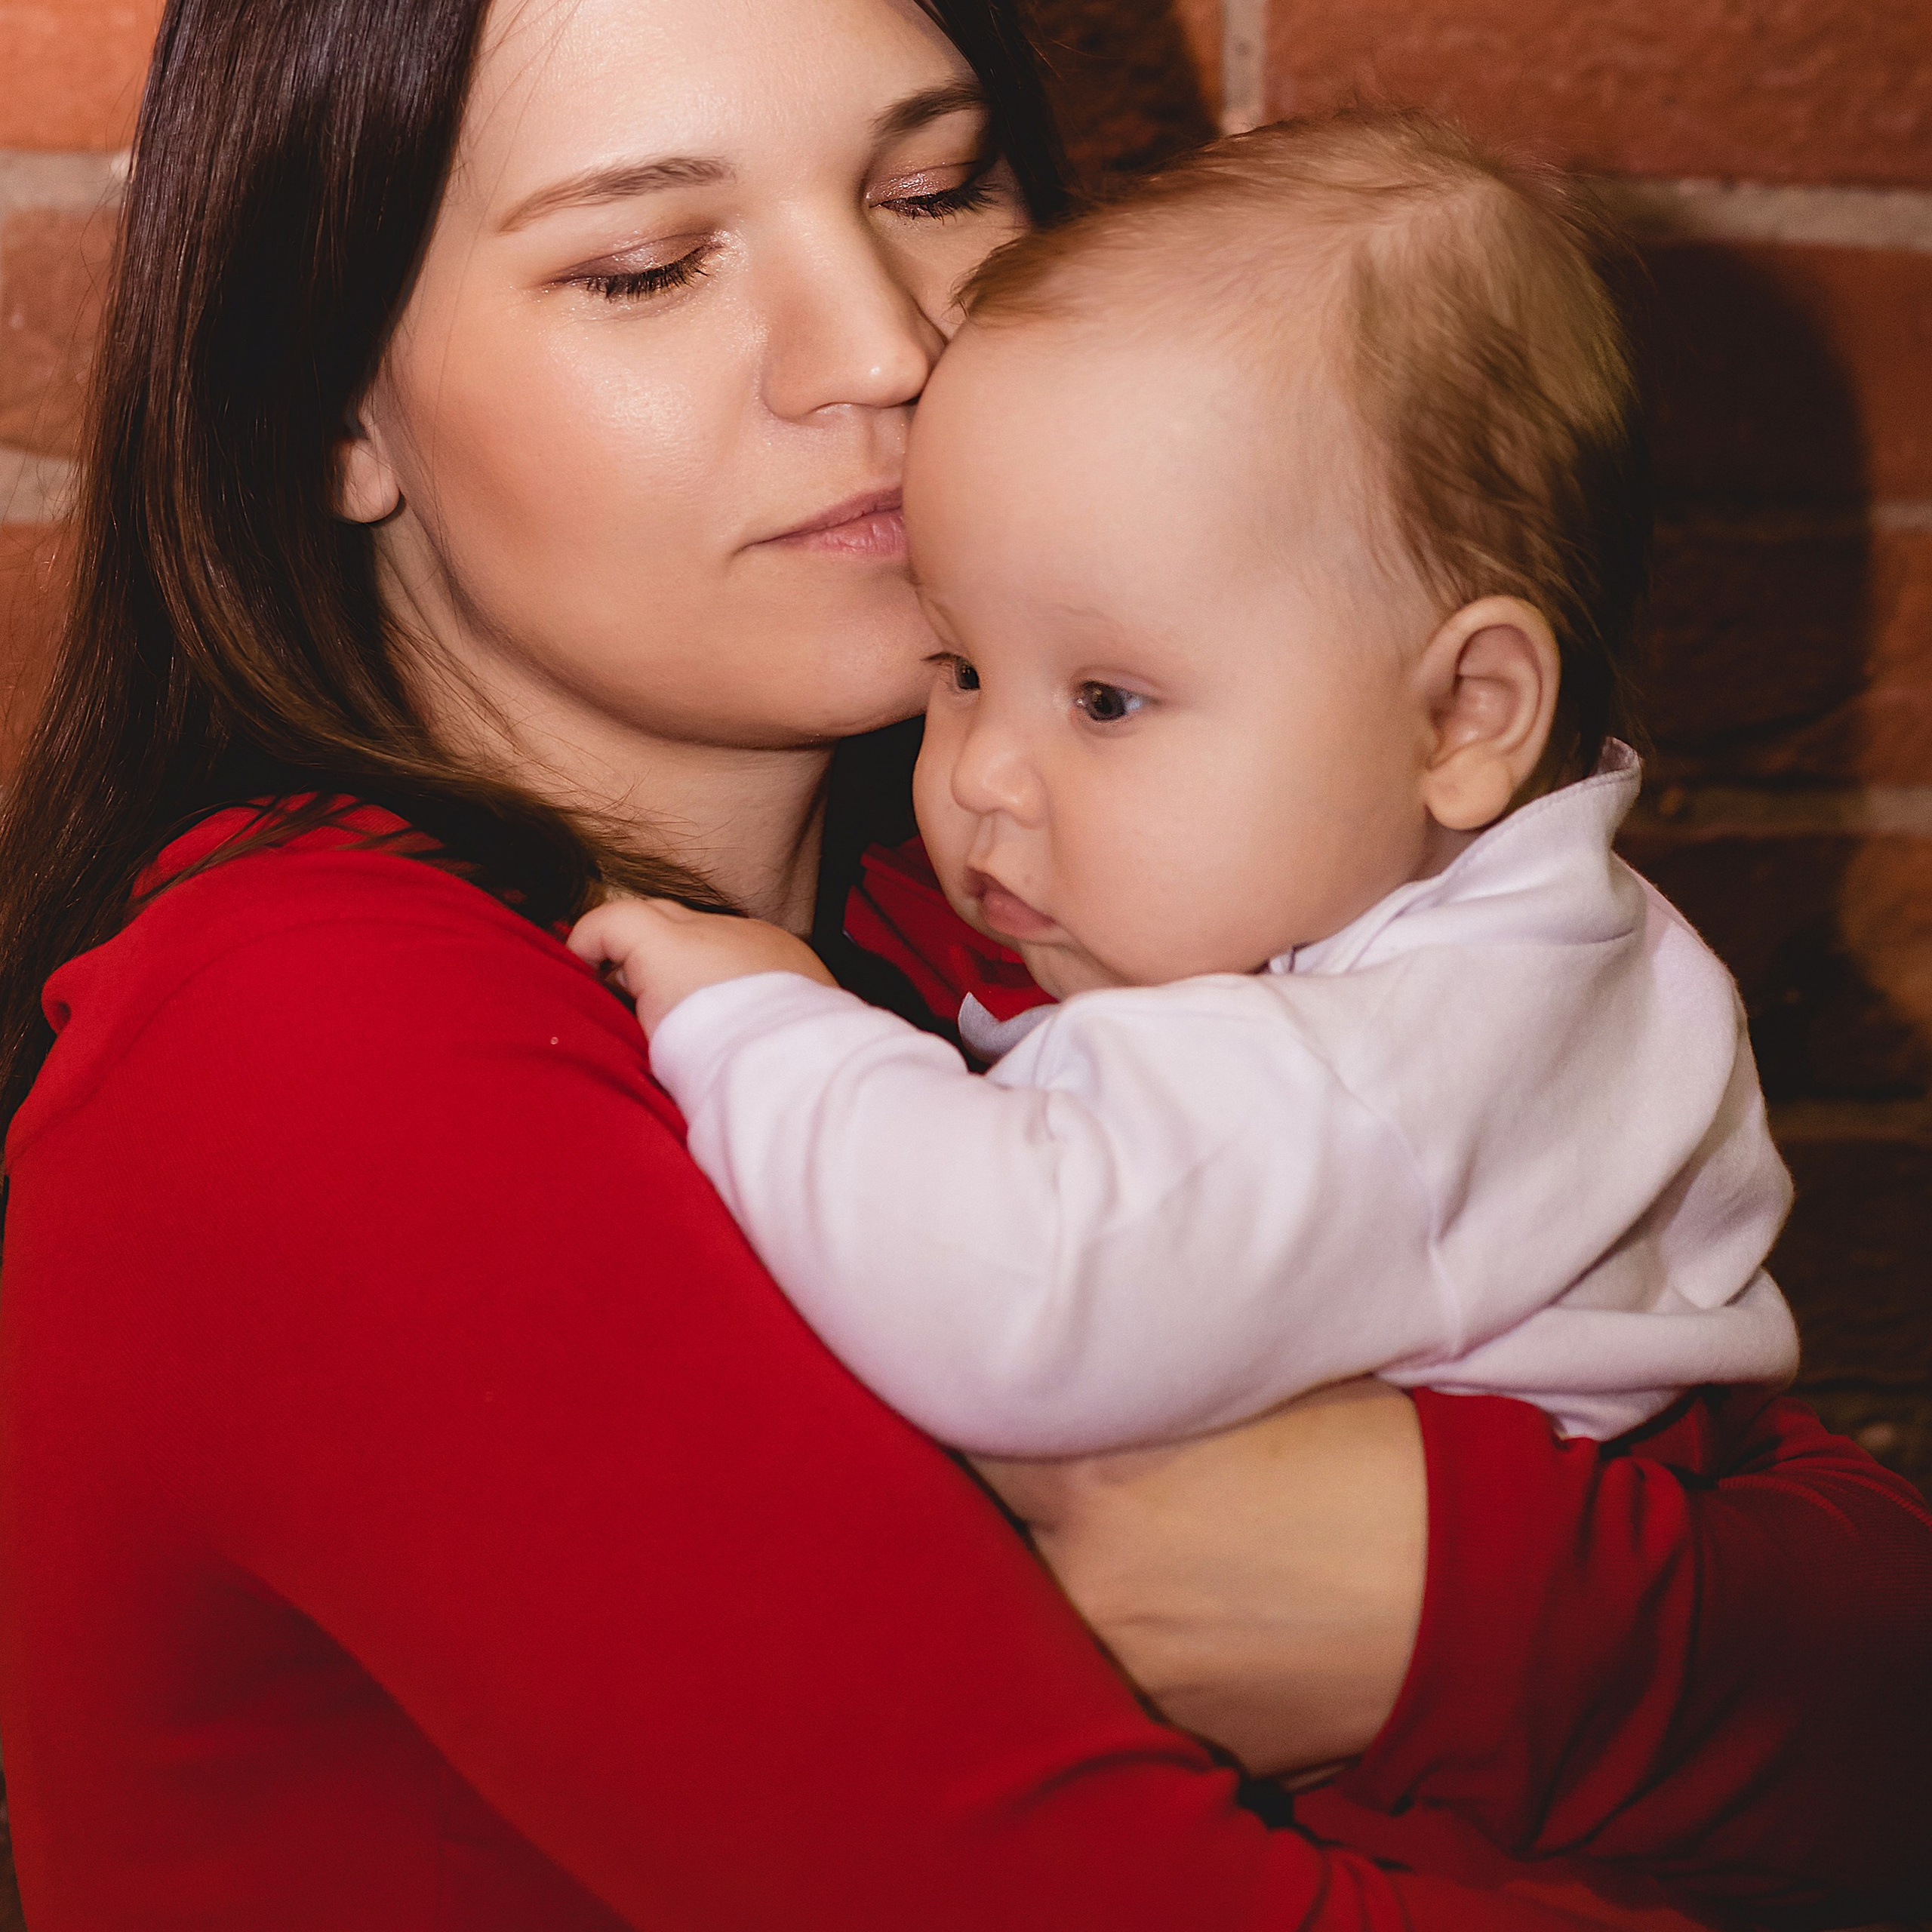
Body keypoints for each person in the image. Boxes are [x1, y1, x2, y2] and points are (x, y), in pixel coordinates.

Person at [0, 0, 1925, 1926]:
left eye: (933, 186)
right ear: (330, 402)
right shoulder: (317, 1052)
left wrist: (1442, 1594)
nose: (886, 349)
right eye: (647, 263)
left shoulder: (997, 911)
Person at [569, 113, 1801, 1460]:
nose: (982, 772)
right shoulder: (1547, 956)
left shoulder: (1383, 1072)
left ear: (1463, 716)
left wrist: (761, 1023)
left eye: (1108, 701)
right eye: (963, 665)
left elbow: (1018, 1308)